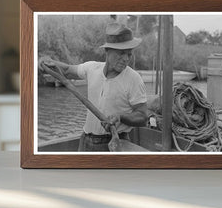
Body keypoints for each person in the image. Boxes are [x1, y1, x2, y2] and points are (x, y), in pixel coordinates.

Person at [39, 22, 148, 152]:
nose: (126, 58)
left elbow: (143, 117)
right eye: (121, 53)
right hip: (85, 140)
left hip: (115, 142)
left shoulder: (134, 79)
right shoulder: (92, 68)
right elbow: (67, 70)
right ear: (107, 51)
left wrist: (120, 116)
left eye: (129, 54)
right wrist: (47, 62)